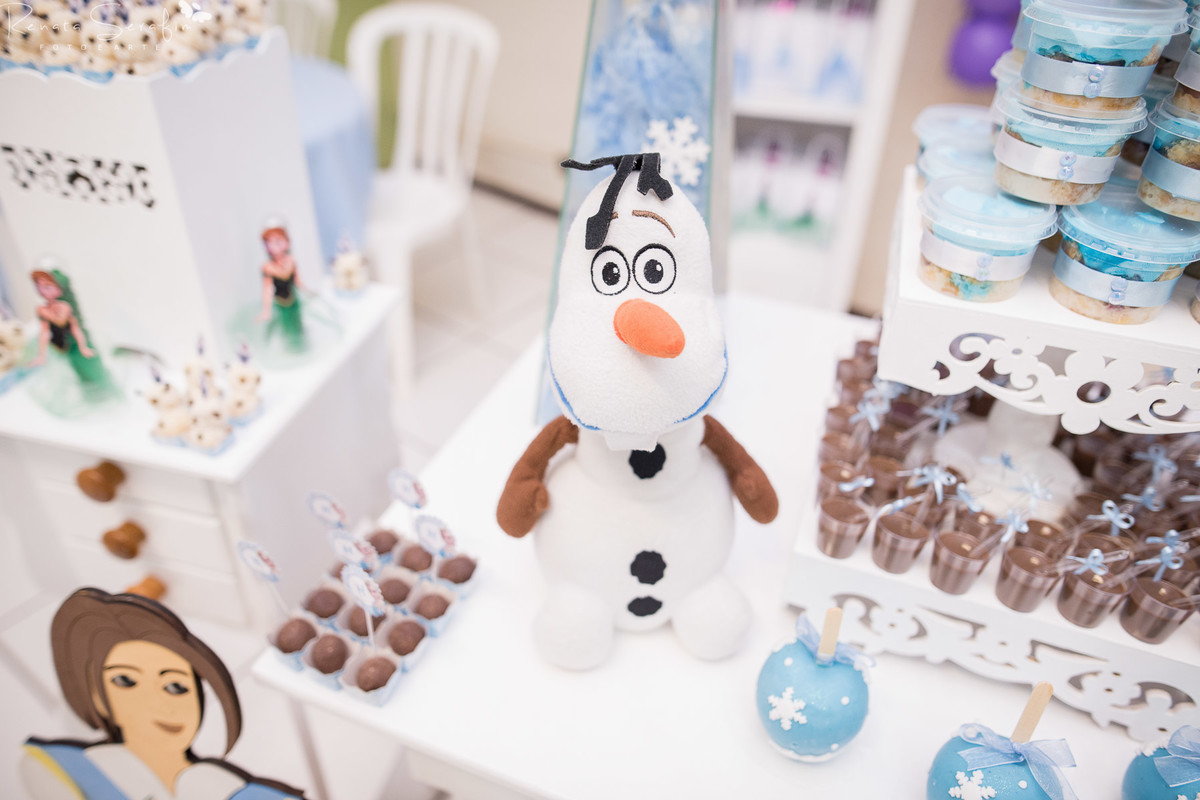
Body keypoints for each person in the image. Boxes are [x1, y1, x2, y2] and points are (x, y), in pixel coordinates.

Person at [21, 588, 304, 799]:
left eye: (175, 687)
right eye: (126, 681)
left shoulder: (238, 793)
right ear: (96, 694)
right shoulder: (68, 772)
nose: (158, 705)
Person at [25, 265, 120, 416]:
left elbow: (76, 328)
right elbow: (44, 332)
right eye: (40, 287)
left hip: (77, 345)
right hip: (61, 347)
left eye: (48, 286)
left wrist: (83, 347)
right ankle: (94, 398)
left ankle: (105, 396)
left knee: (92, 368)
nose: (43, 290)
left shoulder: (65, 307)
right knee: (79, 372)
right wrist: (41, 355)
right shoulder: (42, 310)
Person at [257, 224, 306, 352]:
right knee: (286, 328)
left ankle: (301, 348)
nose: (274, 245)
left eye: (278, 241)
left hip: (294, 301)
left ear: (287, 242)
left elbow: (297, 281)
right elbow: (267, 289)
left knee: (298, 325)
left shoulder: (291, 261)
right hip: (281, 304)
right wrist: (266, 309)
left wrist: (308, 292)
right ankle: (291, 350)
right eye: (270, 243)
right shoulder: (268, 267)